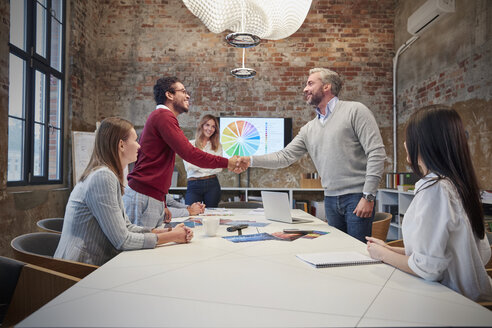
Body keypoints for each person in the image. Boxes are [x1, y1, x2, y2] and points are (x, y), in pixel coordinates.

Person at [237, 68, 386, 242]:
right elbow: (284, 156)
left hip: (356, 197)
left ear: (326, 87)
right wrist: (250, 160)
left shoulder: (355, 111)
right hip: (330, 199)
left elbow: (376, 152)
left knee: (359, 255)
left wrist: (368, 196)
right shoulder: (308, 129)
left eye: (310, 83)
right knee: (337, 253)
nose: (305, 89)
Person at [366, 105, 492, 302]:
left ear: (424, 142)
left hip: (454, 303)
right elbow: (439, 254)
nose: (406, 143)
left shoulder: (435, 189)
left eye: (410, 137)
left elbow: (427, 269)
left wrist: (382, 254)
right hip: (474, 296)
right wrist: (388, 248)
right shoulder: (457, 184)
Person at [54, 117, 193, 266]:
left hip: (90, 263)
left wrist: (167, 232)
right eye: (135, 140)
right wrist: (172, 237)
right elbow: (122, 240)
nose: (139, 146)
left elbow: (127, 227)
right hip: (79, 268)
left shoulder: (107, 174)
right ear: (121, 145)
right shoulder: (103, 177)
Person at [123, 77, 242, 230]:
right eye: (183, 92)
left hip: (151, 195)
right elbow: (190, 153)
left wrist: (163, 202)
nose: (188, 96)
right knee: (143, 247)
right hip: (144, 195)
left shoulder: (163, 117)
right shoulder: (163, 116)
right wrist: (228, 162)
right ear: (169, 95)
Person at [183, 114, 223, 207]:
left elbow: (219, 168)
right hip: (194, 184)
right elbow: (189, 167)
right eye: (207, 125)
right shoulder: (190, 144)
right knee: (191, 215)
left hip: (212, 184)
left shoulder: (217, 146)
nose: (210, 129)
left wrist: (198, 163)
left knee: (212, 215)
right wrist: (210, 163)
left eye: (213, 126)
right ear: (202, 126)